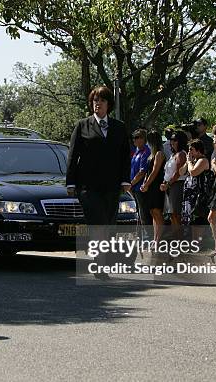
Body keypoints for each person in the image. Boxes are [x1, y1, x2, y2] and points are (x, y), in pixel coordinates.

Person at [66, 86, 131, 279]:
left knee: (109, 224)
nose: (97, 104)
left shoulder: (119, 127)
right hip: (88, 186)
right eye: (95, 101)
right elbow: (72, 155)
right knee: (98, 222)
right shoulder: (83, 125)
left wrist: (125, 180)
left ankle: (102, 259)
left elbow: (125, 156)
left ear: (108, 104)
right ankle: (99, 263)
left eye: (101, 101)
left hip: (111, 185)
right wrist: (70, 182)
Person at [160, 130, 188, 238]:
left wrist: (168, 183)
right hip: (170, 185)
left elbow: (178, 172)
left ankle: (180, 237)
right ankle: (176, 236)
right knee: (171, 213)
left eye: (175, 140)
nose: (172, 142)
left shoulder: (181, 154)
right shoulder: (173, 154)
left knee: (176, 213)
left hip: (177, 184)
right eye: (171, 140)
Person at [140, 130, 166, 243]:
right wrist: (144, 183)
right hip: (150, 186)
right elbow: (148, 171)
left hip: (156, 185)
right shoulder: (152, 154)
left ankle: (159, 238)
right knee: (152, 212)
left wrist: (147, 184)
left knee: (157, 211)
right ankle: (155, 238)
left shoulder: (159, 153)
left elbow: (155, 171)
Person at [181, 139, 213, 227]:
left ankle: (199, 240)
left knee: (197, 221)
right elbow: (181, 172)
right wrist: (187, 162)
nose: (189, 152)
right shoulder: (192, 161)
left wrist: (189, 162)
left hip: (199, 196)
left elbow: (193, 172)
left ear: (198, 150)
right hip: (190, 195)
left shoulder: (203, 160)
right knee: (191, 222)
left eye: (191, 149)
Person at [129, 129, 151, 227]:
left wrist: (131, 183)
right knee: (139, 215)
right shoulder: (136, 151)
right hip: (134, 188)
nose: (134, 140)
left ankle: (147, 239)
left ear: (143, 139)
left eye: (137, 137)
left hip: (141, 188)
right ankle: (142, 237)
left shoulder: (146, 151)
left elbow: (142, 172)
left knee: (144, 215)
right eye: (133, 138)